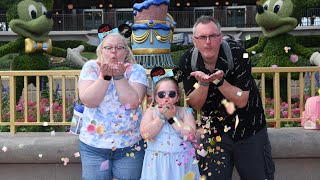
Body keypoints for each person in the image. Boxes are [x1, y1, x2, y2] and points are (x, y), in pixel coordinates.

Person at [179, 15, 275, 180]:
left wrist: (219, 81)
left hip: (248, 130)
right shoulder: (188, 60)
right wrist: (203, 84)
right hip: (213, 133)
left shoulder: (239, 54)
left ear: (220, 37)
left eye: (213, 36)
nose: (208, 41)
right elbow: (194, 104)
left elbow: (242, 99)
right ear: (194, 40)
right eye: (202, 37)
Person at [78, 32, 149, 180]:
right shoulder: (90, 67)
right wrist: (105, 76)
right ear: (101, 51)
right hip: (93, 146)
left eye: (119, 47)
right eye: (108, 47)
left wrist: (118, 76)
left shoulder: (137, 70)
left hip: (130, 146)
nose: (113, 51)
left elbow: (132, 103)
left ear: (126, 52)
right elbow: (89, 101)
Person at [140, 72, 201, 180]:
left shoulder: (185, 112)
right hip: (157, 161)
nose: (166, 98)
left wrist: (173, 119)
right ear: (156, 98)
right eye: (162, 95)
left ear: (178, 97)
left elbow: (190, 135)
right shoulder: (151, 112)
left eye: (171, 94)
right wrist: (161, 118)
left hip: (182, 160)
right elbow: (145, 134)